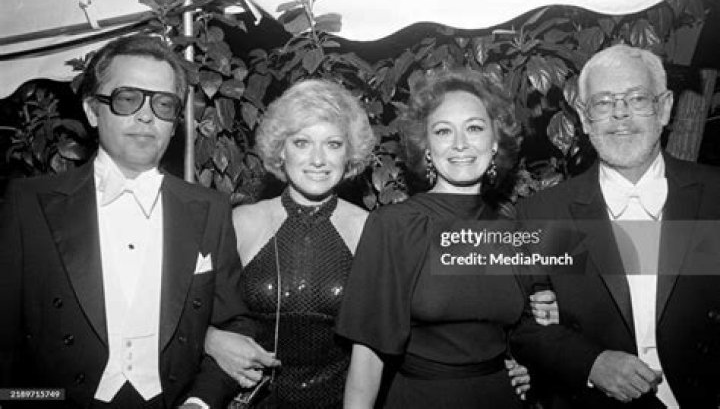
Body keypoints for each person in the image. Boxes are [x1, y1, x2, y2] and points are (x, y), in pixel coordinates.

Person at [0, 34, 252, 408]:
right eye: (127, 99)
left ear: (175, 123)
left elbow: (234, 323)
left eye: (163, 104)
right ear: (92, 111)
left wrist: (200, 402)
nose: (146, 116)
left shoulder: (210, 208)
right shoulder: (29, 203)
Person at [512, 44, 720, 408]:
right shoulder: (544, 214)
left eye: (637, 98)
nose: (620, 114)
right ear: (583, 117)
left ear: (664, 107)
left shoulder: (715, 195)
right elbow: (521, 325)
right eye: (603, 102)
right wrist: (590, 363)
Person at [337, 69, 532, 408]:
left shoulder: (511, 227)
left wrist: (528, 366)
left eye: (474, 128)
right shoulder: (395, 226)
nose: (460, 144)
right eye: (443, 131)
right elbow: (367, 360)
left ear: (495, 141)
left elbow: (525, 330)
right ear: (426, 148)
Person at [203, 79, 375, 408]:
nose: (318, 159)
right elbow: (182, 313)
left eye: (333, 144)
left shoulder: (369, 230)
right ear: (281, 150)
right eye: (302, 142)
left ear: (349, 153)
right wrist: (209, 340)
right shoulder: (242, 223)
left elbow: (380, 343)